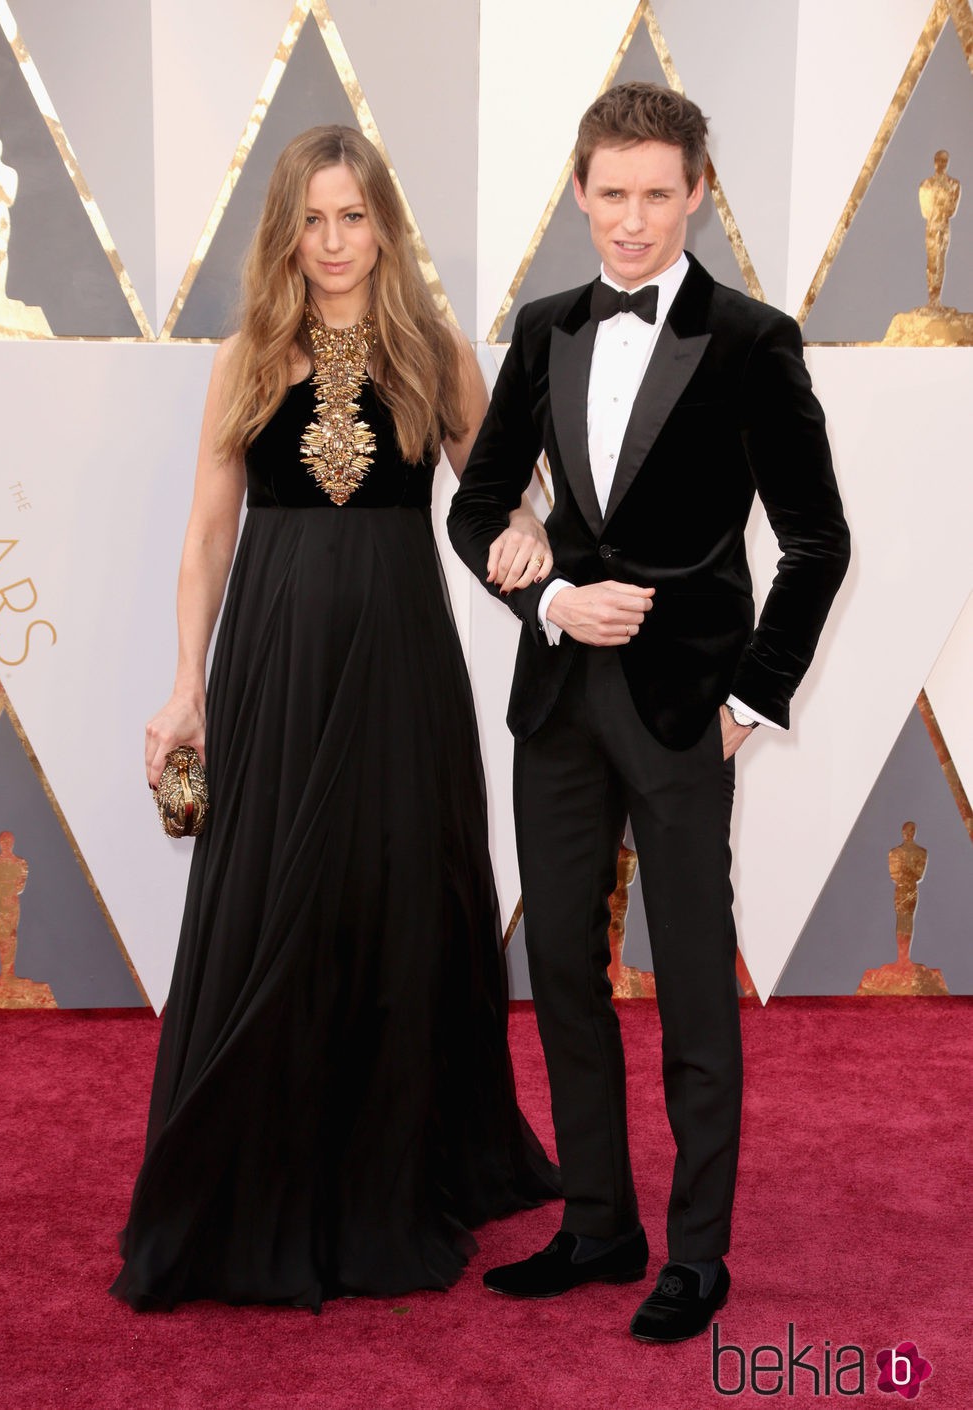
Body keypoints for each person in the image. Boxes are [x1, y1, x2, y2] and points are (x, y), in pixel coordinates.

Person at [111, 125, 559, 1313]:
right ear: (285, 230)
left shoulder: (430, 348)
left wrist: (534, 535)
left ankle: (393, 1164)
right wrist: (185, 683)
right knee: (278, 902)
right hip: (274, 659)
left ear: (384, 223)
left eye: (352, 216)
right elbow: (211, 535)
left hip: (403, 660)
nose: (333, 243)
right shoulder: (248, 351)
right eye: (312, 220)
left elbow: (501, 494)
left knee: (399, 888)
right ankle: (265, 1165)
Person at [448, 82, 850, 1343]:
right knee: (560, 963)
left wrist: (747, 695)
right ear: (578, 192)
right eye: (608, 195)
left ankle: (694, 1254)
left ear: (696, 195)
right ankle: (596, 1221)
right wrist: (553, 598)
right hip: (559, 701)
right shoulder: (543, 326)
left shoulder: (753, 341)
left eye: (655, 196)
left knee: (687, 982)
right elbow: (477, 511)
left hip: (687, 712)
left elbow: (816, 543)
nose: (630, 222)